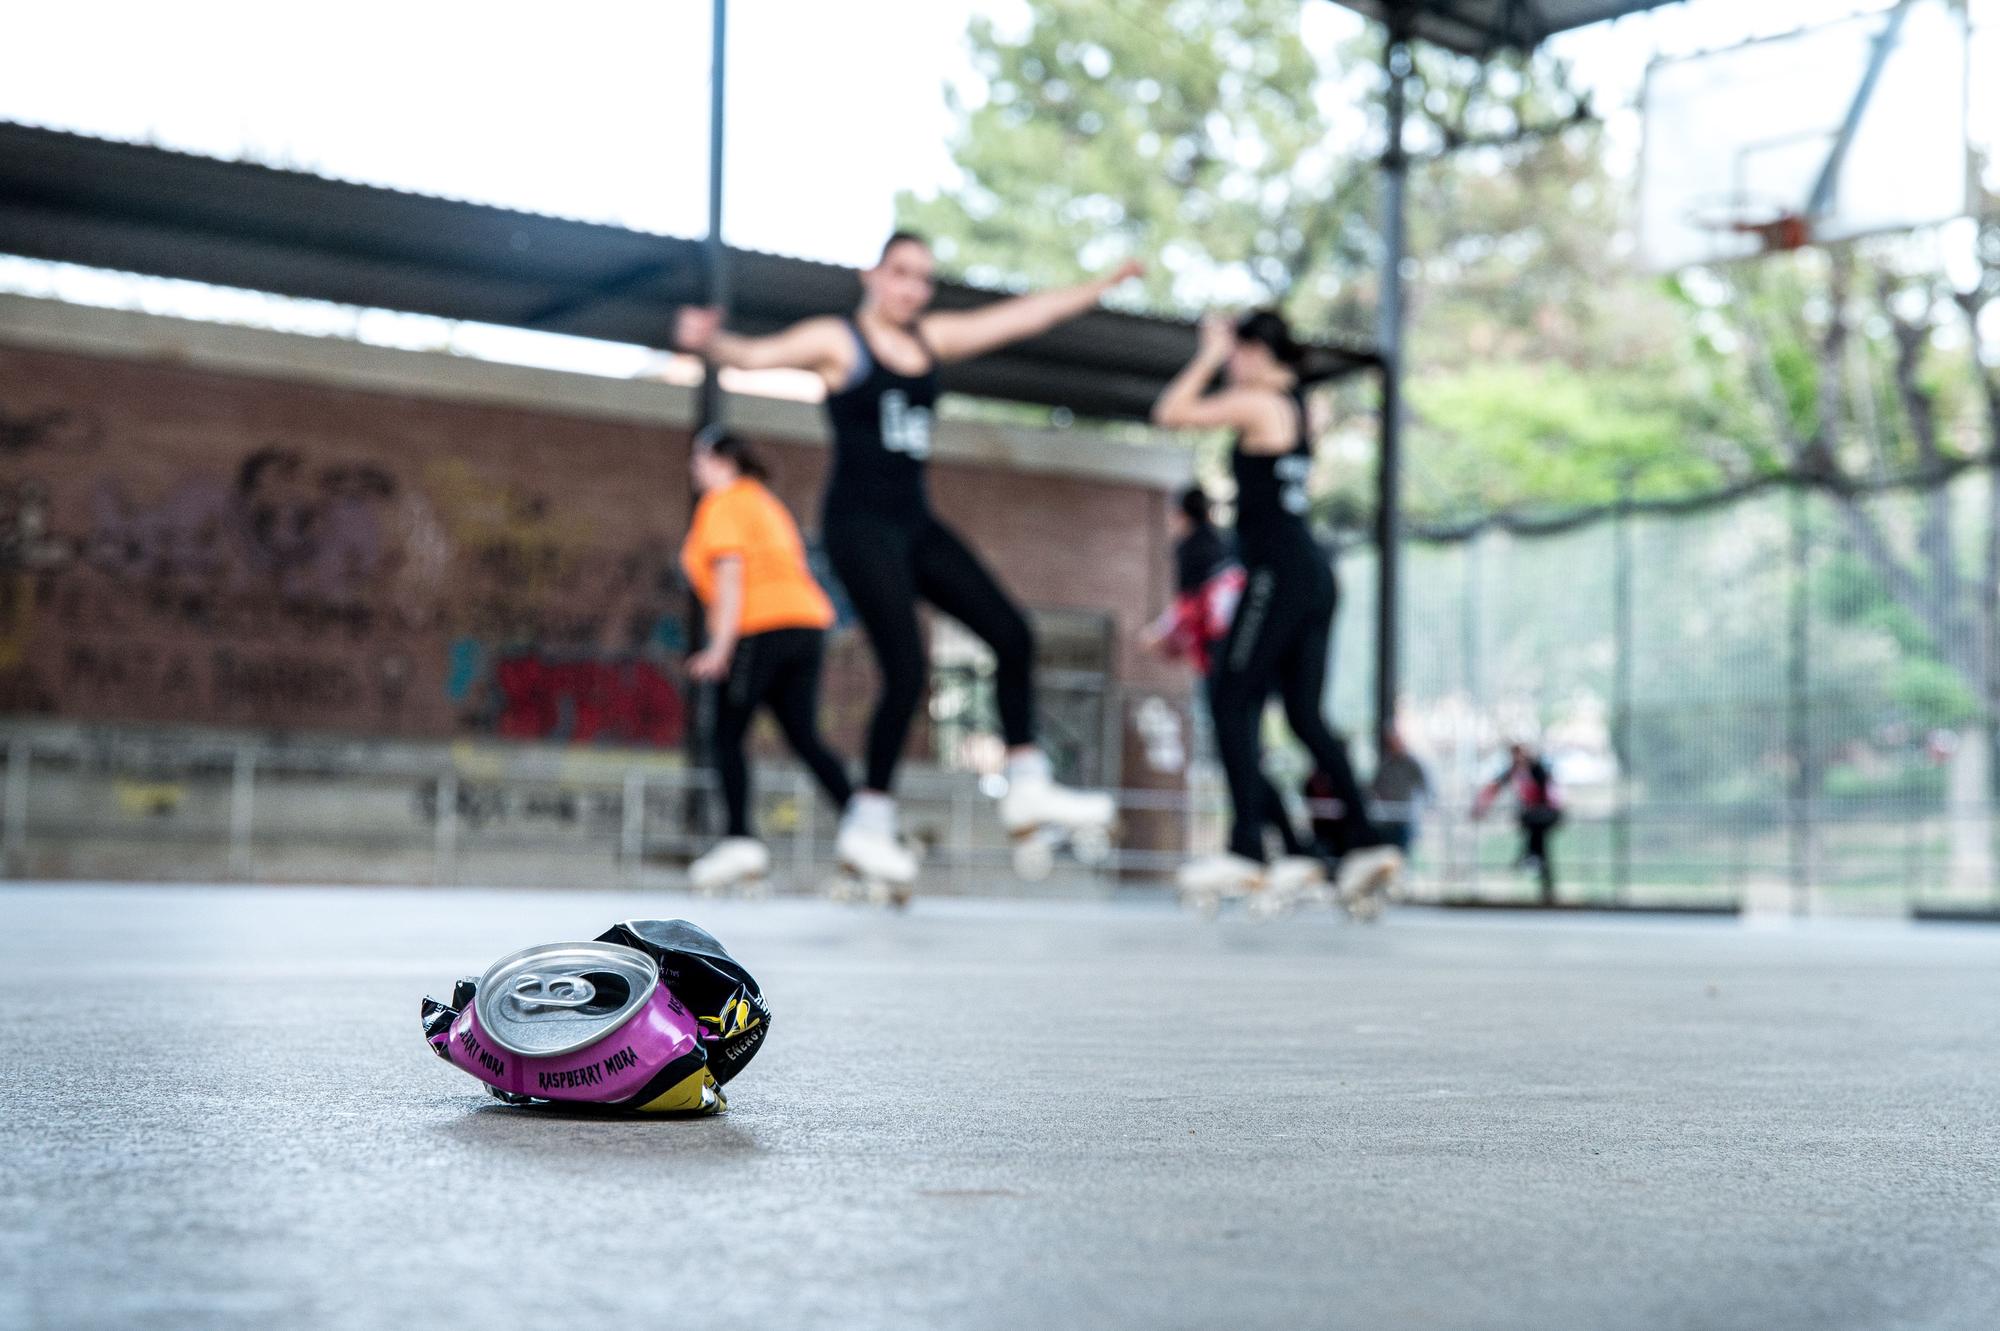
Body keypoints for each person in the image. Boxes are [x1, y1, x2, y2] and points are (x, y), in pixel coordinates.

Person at [676, 233, 1140, 879]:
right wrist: (710, 341)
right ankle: (868, 822)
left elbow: (1022, 317)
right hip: (857, 525)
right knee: (906, 667)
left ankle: (1027, 781)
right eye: (901, 274)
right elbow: (757, 353)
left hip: (916, 522)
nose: (913, 289)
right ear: (873, 275)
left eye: (924, 278)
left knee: (1012, 633)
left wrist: (1100, 286)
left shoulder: (932, 340)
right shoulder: (842, 341)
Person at [1152, 309, 1402, 909]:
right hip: (1310, 571)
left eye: (1238, 354)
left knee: (1229, 698)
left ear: (1256, 353)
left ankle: (1247, 849)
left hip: (1279, 573)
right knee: (1303, 716)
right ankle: (1363, 841)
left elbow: (1170, 412)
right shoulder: (1295, 404)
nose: (1232, 365)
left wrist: (1210, 356)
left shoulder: (1261, 404)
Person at [679, 427, 877, 890]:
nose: (694, 467)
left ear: (724, 461)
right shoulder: (765, 502)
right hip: (807, 625)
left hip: (759, 629)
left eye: (699, 458)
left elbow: (732, 576)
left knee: (726, 735)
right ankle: (869, 829)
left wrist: (720, 648)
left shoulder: (723, 503)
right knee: (803, 735)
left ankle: (741, 844)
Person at [1142, 485, 1322, 890]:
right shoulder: (1222, 546)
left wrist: (1161, 637)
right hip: (1250, 661)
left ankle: (1255, 851)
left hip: (1230, 663)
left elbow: (1191, 612)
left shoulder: (1195, 548)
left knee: (1238, 756)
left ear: (1179, 514)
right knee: (1246, 761)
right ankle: (1291, 847)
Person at [1475, 742, 1563, 903]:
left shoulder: (1537, 769)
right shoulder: (1515, 770)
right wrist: (1481, 806)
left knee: (1537, 837)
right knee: (1540, 846)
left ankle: (1528, 857)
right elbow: (1495, 786)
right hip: (1534, 817)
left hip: (1545, 813)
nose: (1516, 759)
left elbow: (1548, 794)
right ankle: (1541, 878)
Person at [1369, 728, 1432, 857]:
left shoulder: (1411, 764)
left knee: (1401, 854)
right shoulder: (1386, 765)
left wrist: (1425, 807)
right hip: (1387, 818)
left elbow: (1425, 786)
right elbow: (1376, 787)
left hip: (1404, 818)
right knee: (1387, 852)